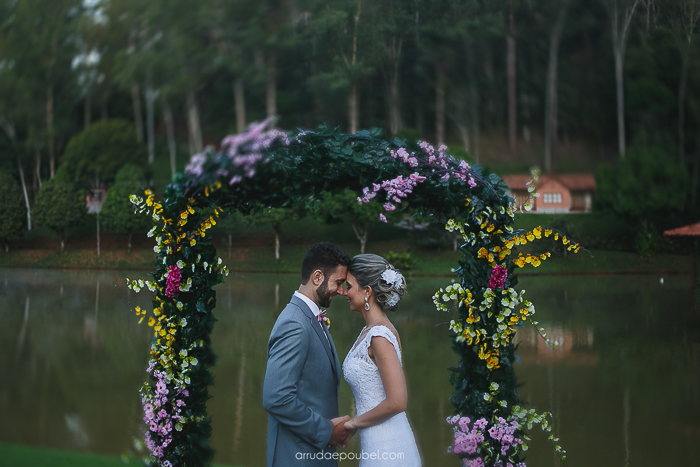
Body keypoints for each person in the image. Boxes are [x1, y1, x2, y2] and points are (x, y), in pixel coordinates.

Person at [263, 242, 354, 467]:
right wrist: (326, 431)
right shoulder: (294, 324)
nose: (342, 291)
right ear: (317, 277)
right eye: (338, 283)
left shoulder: (310, 318)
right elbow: (276, 397)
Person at [342, 254, 421, 466]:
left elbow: (397, 401)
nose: (343, 292)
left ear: (367, 291)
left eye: (348, 286)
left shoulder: (379, 335)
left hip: (389, 445)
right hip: (375, 442)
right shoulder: (369, 331)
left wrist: (352, 424)